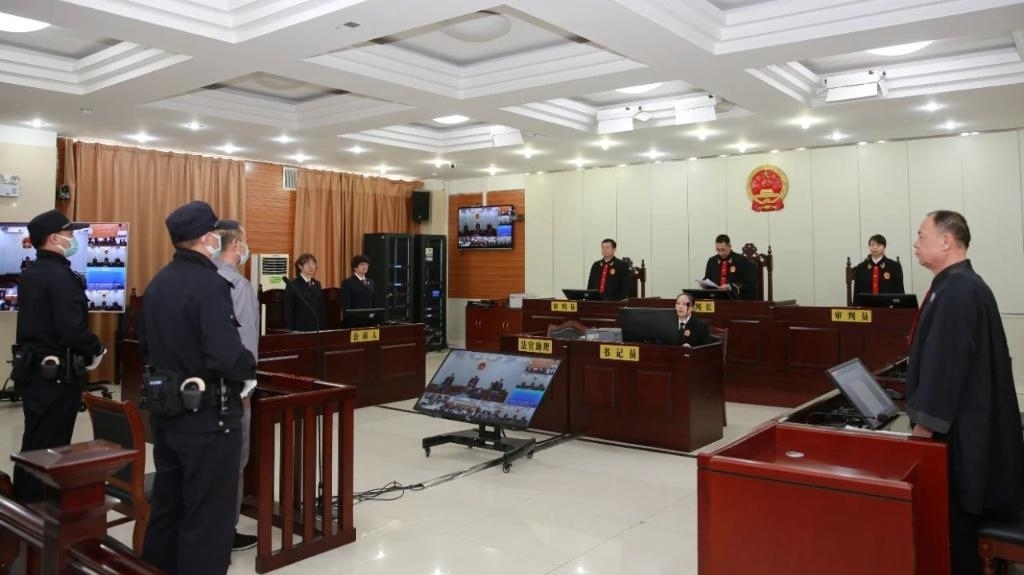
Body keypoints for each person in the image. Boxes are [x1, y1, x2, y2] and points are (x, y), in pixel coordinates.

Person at [139, 201, 257, 575]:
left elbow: (146, 346)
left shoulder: (159, 282)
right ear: (208, 238)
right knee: (208, 519)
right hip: (208, 420)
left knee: (168, 508)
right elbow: (226, 355)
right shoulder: (210, 285)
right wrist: (248, 368)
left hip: (167, 414)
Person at [905, 210, 1024, 575]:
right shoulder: (957, 285)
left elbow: (945, 366)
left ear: (946, 241)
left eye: (921, 235)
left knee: (956, 525)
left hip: (963, 432)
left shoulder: (957, 291)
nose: (915, 242)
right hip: (971, 421)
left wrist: (923, 426)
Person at [11, 209, 106, 502]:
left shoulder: (32, 273)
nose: (73, 239)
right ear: (54, 238)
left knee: (35, 441)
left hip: (33, 372)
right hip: (55, 378)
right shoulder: (61, 277)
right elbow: (71, 330)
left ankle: (24, 508)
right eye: (68, 234)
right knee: (50, 447)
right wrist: (96, 348)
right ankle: (38, 510)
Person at [213, 220, 259, 552]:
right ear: (235, 245)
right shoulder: (236, 284)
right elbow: (244, 344)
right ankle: (225, 530)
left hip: (196, 391)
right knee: (233, 461)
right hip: (232, 390)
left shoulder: (197, 277)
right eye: (245, 241)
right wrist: (246, 389)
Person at [702, 234, 757, 300]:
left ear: (729, 246)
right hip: (716, 299)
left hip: (735, 300)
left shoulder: (742, 261)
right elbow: (707, 279)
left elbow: (749, 284)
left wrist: (730, 287)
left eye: (723, 250)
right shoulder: (712, 261)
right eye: (717, 250)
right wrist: (704, 284)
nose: (720, 253)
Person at [284, 253, 326, 331]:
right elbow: (289, 310)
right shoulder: (293, 285)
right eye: (308, 264)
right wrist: (290, 331)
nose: (311, 266)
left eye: (313, 263)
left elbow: (321, 308)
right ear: (300, 266)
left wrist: (323, 328)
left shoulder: (317, 284)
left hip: (316, 328)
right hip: (300, 328)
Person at [341, 254, 375, 322]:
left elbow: (373, 302)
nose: (365, 267)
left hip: (370, 320)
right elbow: (346, 305)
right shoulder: (348, 282)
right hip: (355, 321)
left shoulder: (371, 282)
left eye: (366, 264)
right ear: (355, 267)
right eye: (362, 264)